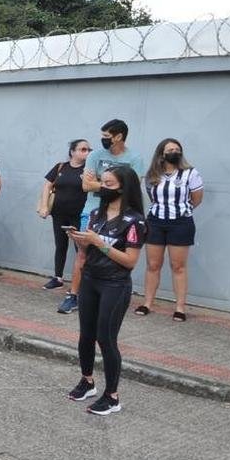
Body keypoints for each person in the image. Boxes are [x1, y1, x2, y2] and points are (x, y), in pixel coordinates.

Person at [66, 166, 147, 415]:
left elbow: (130, 261)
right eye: (103, 183)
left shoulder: (135, 221)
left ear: (123, 188)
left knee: (106, 338)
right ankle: (87, 380)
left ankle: (112, 397)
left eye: (109, 184)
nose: (103, 188)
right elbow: (86, 250)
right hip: (91, 278)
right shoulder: (95, 214)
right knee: (85, 335)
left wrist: (99, 243)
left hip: (115, 284)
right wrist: (80, 241)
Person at [58, 119, 147, 314]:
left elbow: (131, 187)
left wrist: (98, 181)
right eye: (102, 136)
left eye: (107, 137)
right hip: (92, 211)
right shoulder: (95, 155)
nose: (103, 140)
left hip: (119, 216)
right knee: (83, 253)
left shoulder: (135, 158)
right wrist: (111, 184)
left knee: (115, 255)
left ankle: (108, 295)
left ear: (119, 137)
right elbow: (85, 186)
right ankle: (73, 295)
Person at [135, 138, 204, 321]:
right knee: (153, 265)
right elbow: (152, 197)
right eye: (170, 149)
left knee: (178, 266)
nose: (174, 151)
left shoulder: (190, 173)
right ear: (162, 154)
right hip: (156, 222)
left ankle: (180, 307)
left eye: (177, 149)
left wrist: (182, 210)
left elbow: (197, 198)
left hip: (181, 223)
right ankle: (147, 303)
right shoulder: (152, 175)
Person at [38, 140, 91, 290]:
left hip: (79, 215)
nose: (86, 152)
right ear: (72, 152)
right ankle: (58, 277)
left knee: (80, 249)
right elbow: (47, 185)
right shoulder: (61, 167)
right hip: (59, 213)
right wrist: (44, 206)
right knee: (60, 245)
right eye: (82, 149)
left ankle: (82, 282)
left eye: (88, 149)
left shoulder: (89, 170)